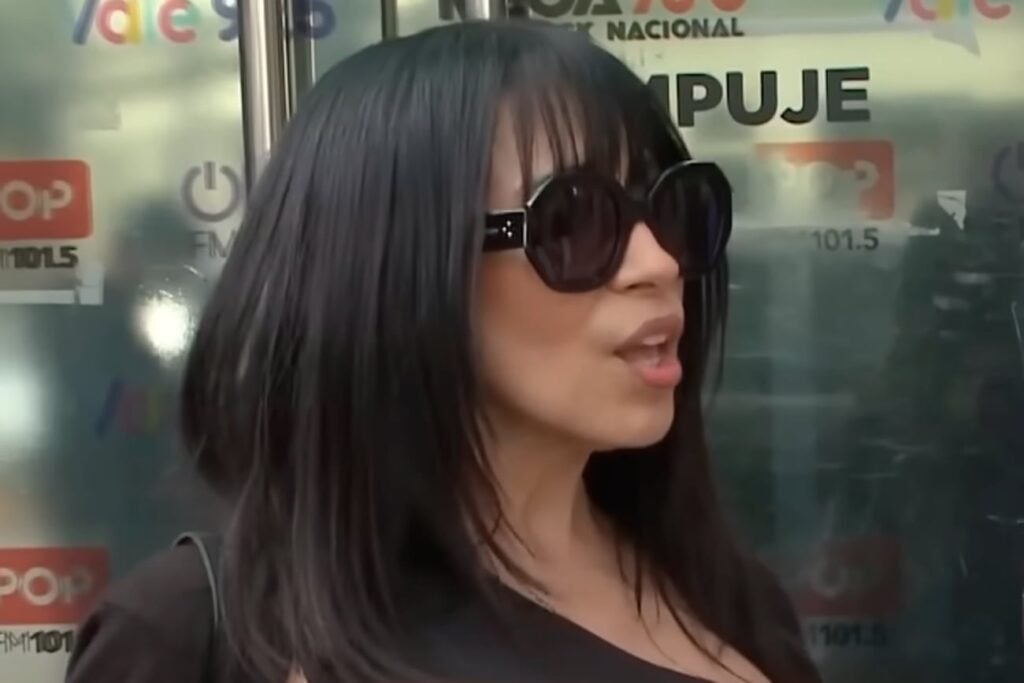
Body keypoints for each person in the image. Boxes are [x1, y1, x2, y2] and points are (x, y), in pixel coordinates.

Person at [65, 19, 820, 683]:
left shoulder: (725, 595)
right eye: (574, 222)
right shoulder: (204, 632)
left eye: (670, 208)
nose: (657, 262)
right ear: (396, 268)